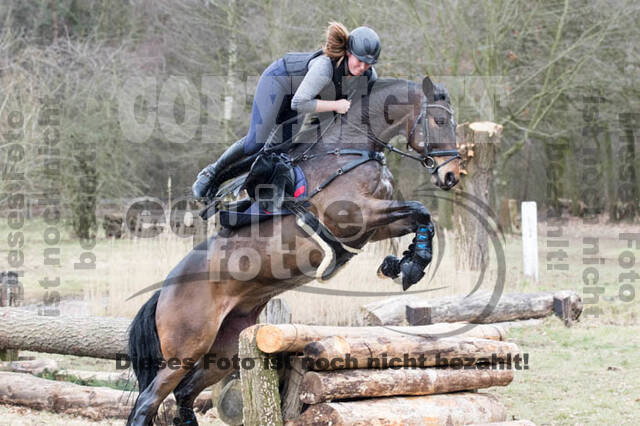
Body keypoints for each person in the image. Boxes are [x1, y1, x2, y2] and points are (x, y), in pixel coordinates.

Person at [192, 22, 381, 200]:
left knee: (276, 152)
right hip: (278, 83)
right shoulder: (324, 67)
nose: (363, 67)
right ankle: (211, 172)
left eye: (368, 63)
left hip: (299, 98)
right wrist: (336, 105)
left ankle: (223, 184)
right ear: (348, 52)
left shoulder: (368, 76)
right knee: (255, 143)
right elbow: (299, 103)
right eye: (360, 61)